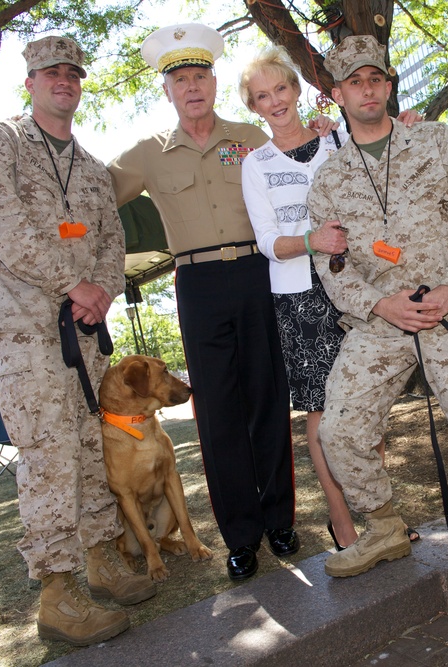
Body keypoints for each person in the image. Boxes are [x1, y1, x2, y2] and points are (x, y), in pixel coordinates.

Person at [307, 35, 448, 620]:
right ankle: (382, 526)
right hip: (380, 319)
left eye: (376, 78)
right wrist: (381, 306)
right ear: (337, 94)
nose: (368, 89)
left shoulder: (437, 140)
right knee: (342, 431)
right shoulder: (328, 178)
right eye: (355, 82)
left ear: (388, 84)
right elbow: (330, 264)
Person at [0, 36, 155, 646]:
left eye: (73, 72)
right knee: (49, 461)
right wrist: (72, 283)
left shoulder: (93, 167)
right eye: (51, 72)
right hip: (25, 333)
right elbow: (2, 228)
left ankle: (101, 559)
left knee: (88, 448)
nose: (64, 80)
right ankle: (57, 594)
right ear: (29, 82)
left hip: (84, 334)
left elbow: (111, 241)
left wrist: (98, 290)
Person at [108, 24, 299, 581]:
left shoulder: (251, 136)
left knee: (268, 398)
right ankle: (240, 536)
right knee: (216, 413)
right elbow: (92, 194)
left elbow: (304, 163)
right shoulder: (146, 155)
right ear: (166, 91)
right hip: (196, 285)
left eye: (200, 76)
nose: (192, 88)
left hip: (257, 274)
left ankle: (280, 520)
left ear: (214, 82)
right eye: (180, 80)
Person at [238, 48, 425, 550]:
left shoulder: (337, 138)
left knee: (365, 404)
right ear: (254, 107)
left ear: (297, 91)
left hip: (360, 288)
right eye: (262, 96)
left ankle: (380, 515)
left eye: (281, 89)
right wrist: (310, 241)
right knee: (322, 412)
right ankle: (344, 523)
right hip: (300, 298)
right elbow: (267, 242)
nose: (275, 101)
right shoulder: (255, 164)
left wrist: (407, 124)